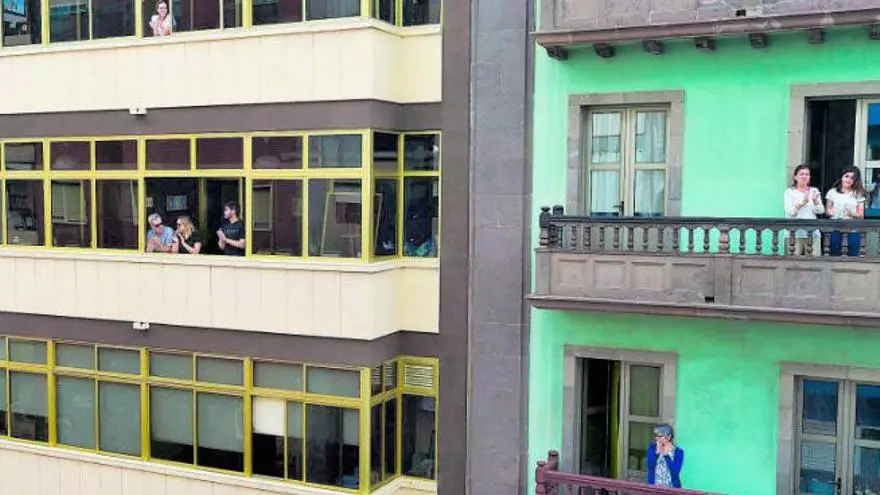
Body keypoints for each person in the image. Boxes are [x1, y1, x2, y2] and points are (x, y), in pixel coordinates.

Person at [784, 164, 824, 256]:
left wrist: (816, 201)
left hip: (812, 232)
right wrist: (802, 203)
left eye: (807, 174)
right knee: (793, 262)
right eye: (801, 174)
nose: (804, 176)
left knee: (813, 261)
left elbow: (821, 211)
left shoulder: (814, 190)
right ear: (795, 177)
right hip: (794, 233)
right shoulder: (789, 192)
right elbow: (790, 212)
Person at [826, 166, 866, 257]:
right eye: (846, 176)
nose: (848, 180)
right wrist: (830, 212)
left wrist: (851, 214)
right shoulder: (832, 192)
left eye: (852, 178)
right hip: (836, 226)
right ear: (842, 177)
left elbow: (861, 215)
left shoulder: (858, 193)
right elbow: (828, 211)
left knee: (853, 254)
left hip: (853, 228)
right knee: (834, 252)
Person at [646, 424, 684, 488]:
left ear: (669, 437)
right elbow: (650, 467)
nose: (657, 438)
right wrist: (656, 453)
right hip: (654, 488)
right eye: (656, 436)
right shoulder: (652, 448)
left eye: (660, 436)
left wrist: (667, 456)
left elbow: (675, 472)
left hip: (672, 489)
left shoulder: (679, 452)